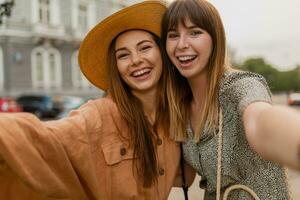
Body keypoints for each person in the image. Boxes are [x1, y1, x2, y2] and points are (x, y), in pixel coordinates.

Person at [0, 1, 194, 199]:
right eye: (123, 55)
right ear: (116, 67)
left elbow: (187, 174)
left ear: (162, 53)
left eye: (144, 48)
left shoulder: (176, 119)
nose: (135, 60)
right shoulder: (98, 115)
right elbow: (47, 139)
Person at [161, 0, 300, 199]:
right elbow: (184, 177)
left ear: (215, 38)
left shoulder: (239, 86)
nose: (182, 44)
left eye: (194, 32)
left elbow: (260, 122)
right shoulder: (179, 107)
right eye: (173, 35)